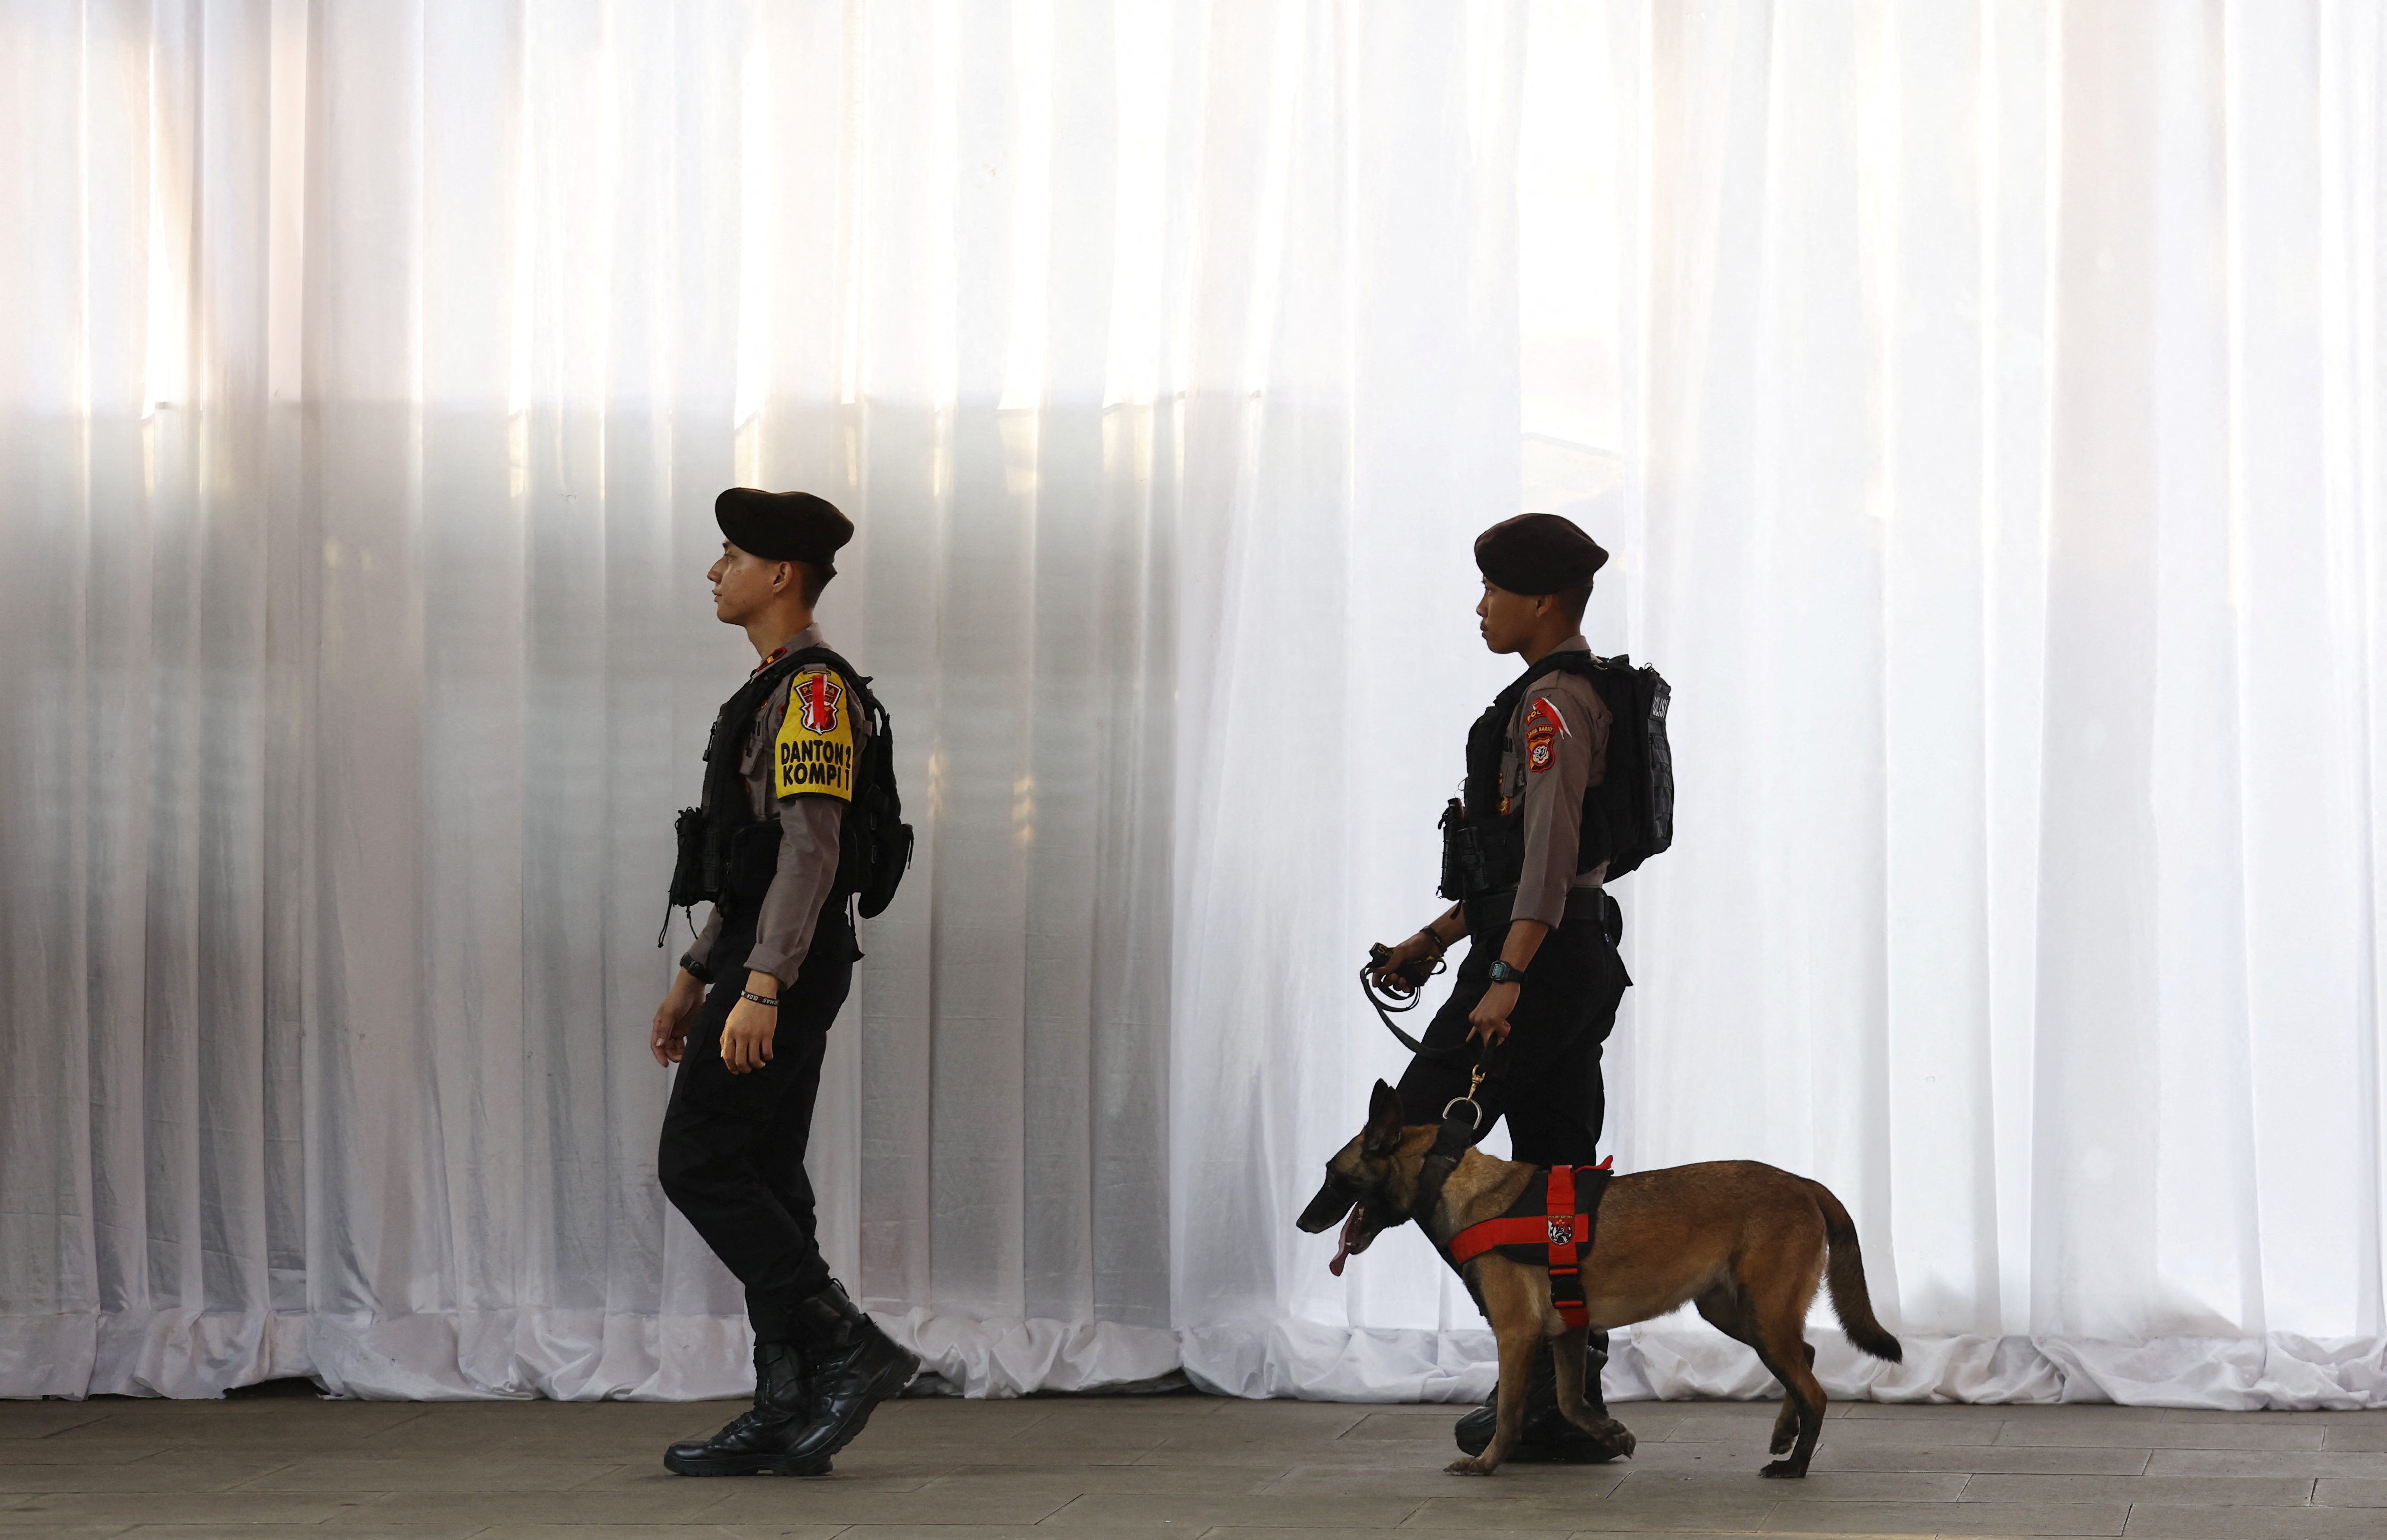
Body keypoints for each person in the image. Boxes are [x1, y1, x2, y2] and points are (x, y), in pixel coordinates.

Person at [649, 487, 917, 1478]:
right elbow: (757, 861)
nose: (715, 573)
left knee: (700, 1162)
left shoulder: (810, 693)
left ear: (781, 575)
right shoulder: (773, 687)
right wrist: (696, 972)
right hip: (776, 959)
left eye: (731, 556)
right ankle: (787, 1398)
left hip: (790, 969)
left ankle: (845, 1343)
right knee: (763, 1175)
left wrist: (758, 985)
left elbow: (811, 851)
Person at [1367, 511, 1635, 1463]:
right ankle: (1565, 1396)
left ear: (1544, 601)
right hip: (1568, 951)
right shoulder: (1549, 697)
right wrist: (1437, 936)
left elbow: (1551, 859)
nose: (1481, 608)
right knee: (1558, 1172)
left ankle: (1543, 1368)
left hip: (1543, 960)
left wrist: (1507, 972)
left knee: (1403, 1151)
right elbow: (1520, 864)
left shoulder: (1554, 706)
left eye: (1494, 591)